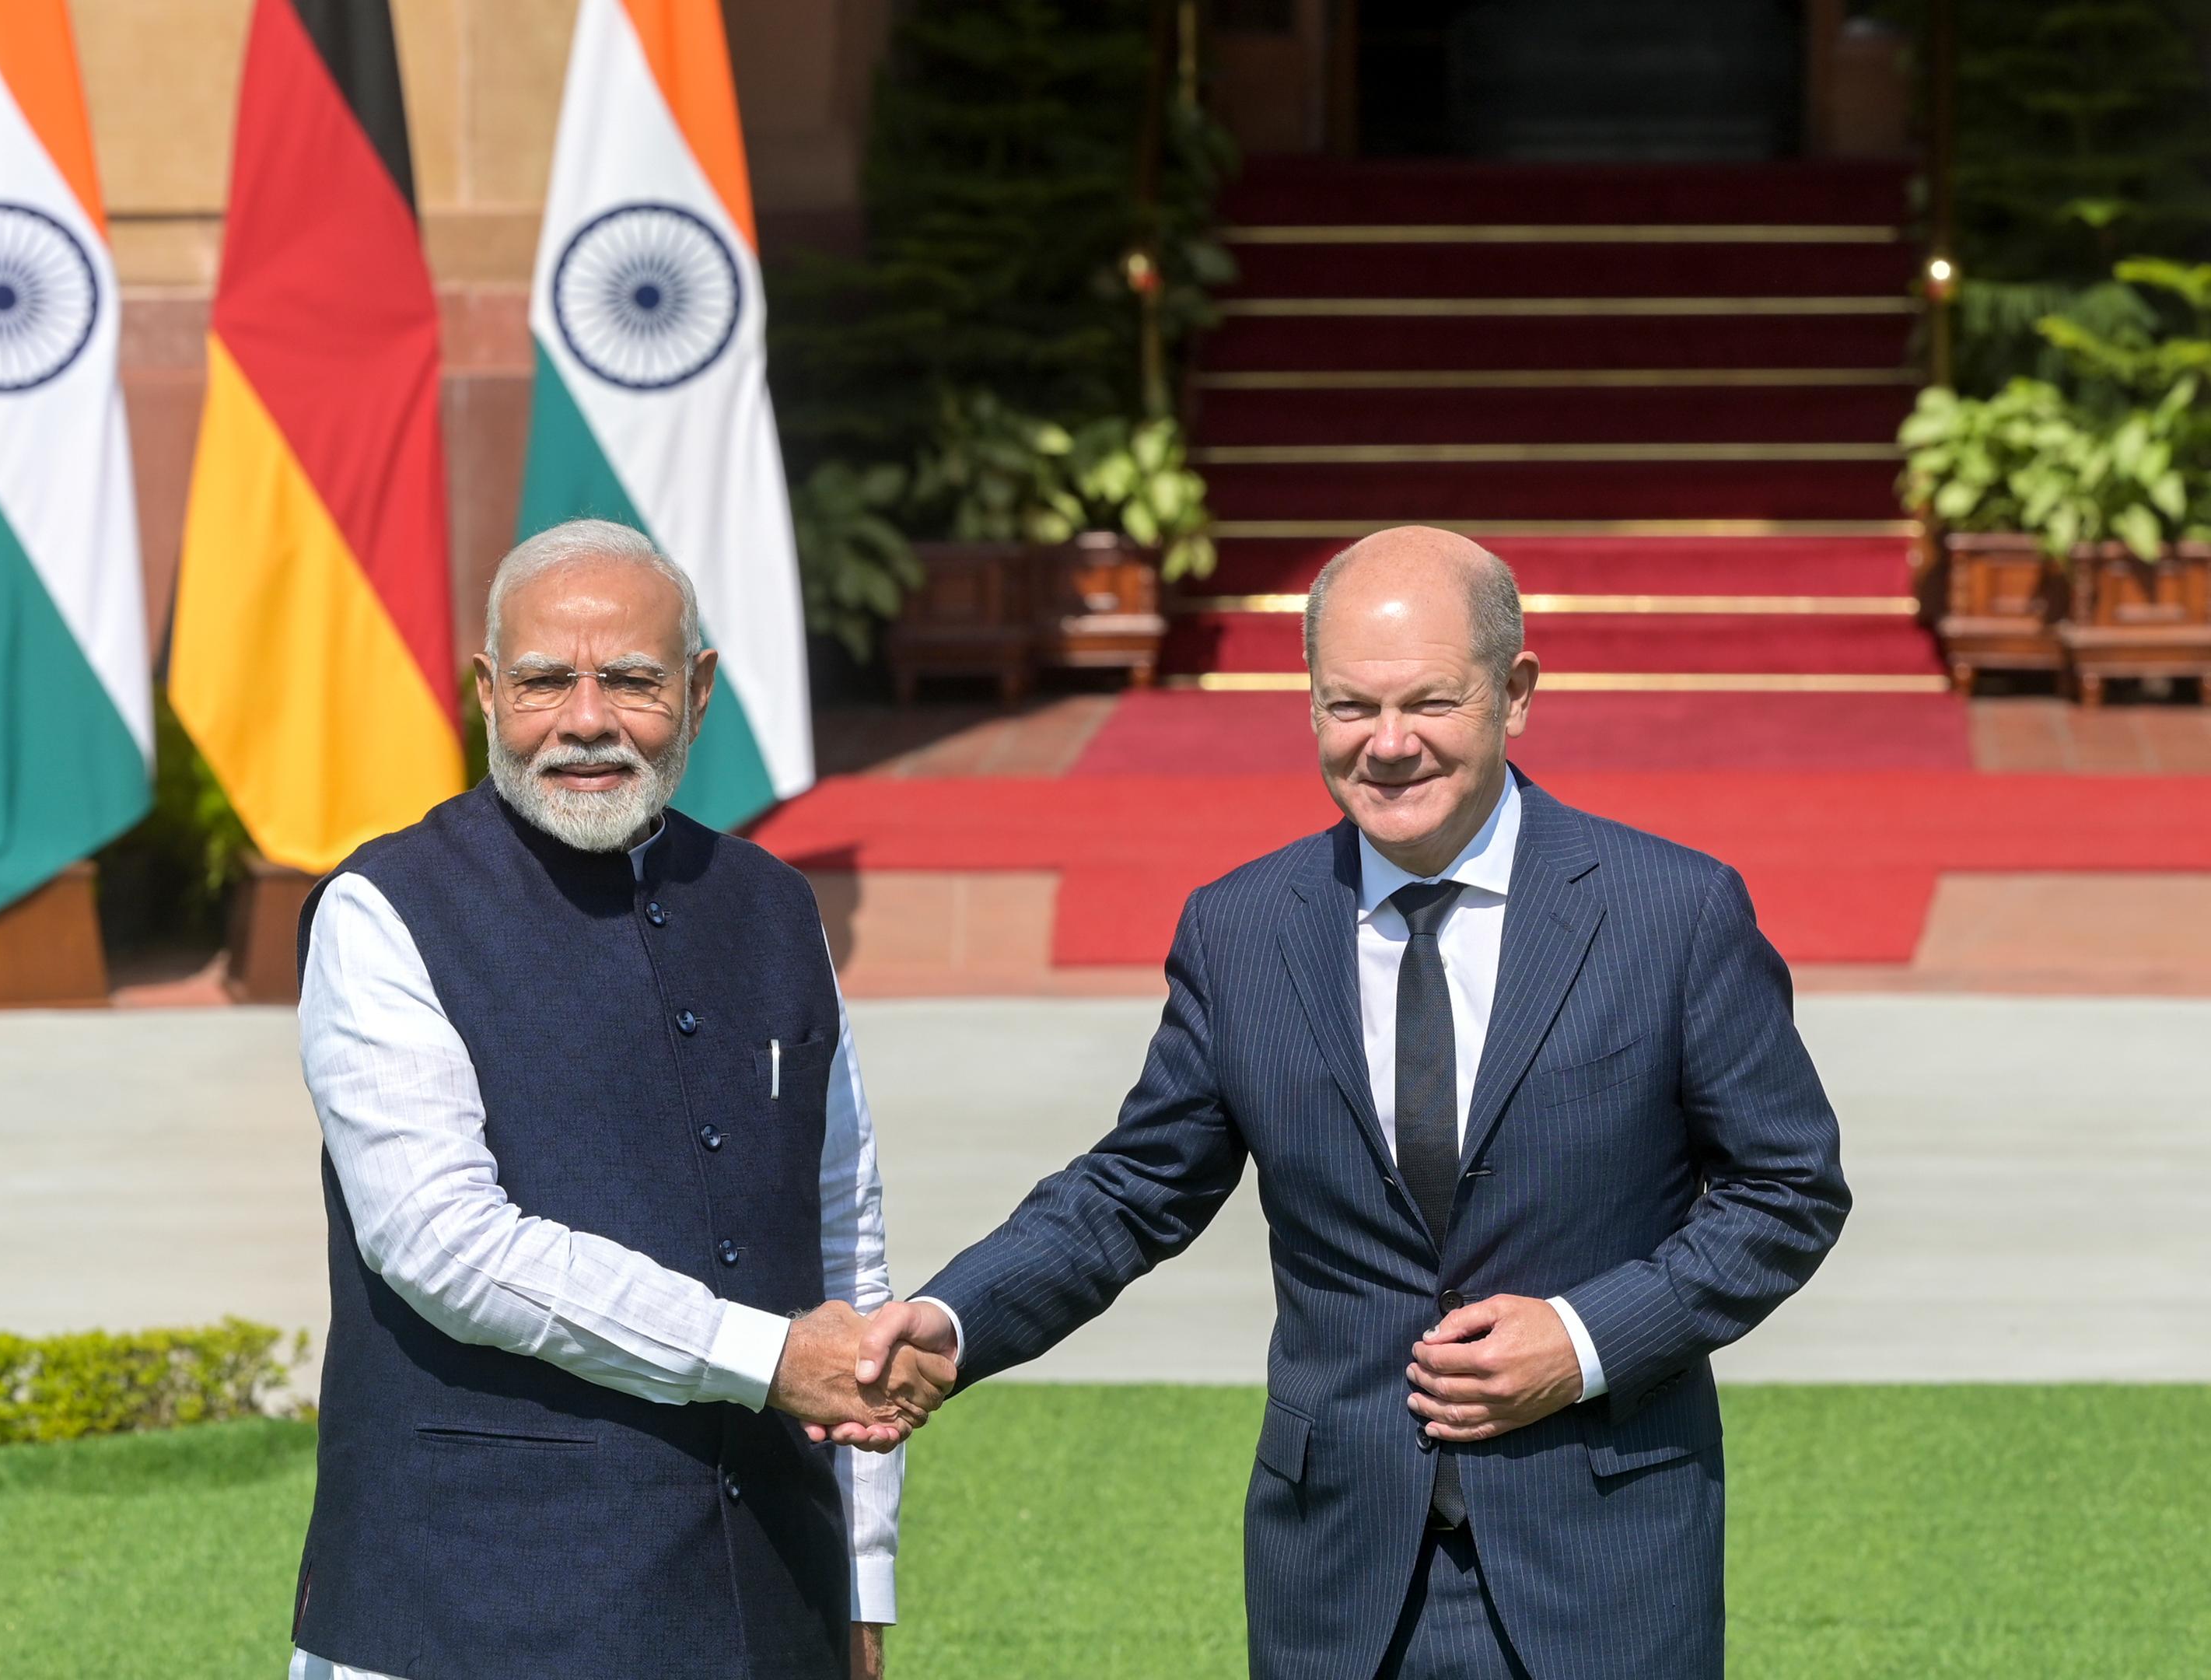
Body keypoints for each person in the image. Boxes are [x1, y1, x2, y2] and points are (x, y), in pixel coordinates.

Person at [840, 526, 1852, 1678]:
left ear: (1515, 694)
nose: (1388, 746)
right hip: (1340, 1578)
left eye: (1429, 702)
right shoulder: (1243, 930)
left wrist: (1582, 1341)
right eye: (1347, 707)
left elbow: (1788, 1192)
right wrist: (957, 1320)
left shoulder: (1673, 913)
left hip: (1606, 1557)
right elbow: (1132, 1193)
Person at [288, 518, 949, 1680]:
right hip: (463, 1612)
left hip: (763, 1601)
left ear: (697, 692)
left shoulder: (776, 908)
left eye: (632, 681)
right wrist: (760, 1356)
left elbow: (844, 1230)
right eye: (546, 680)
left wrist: (865, 1566)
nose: (586, 721)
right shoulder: (381, 913)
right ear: (488, 691)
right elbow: (441, 1242)